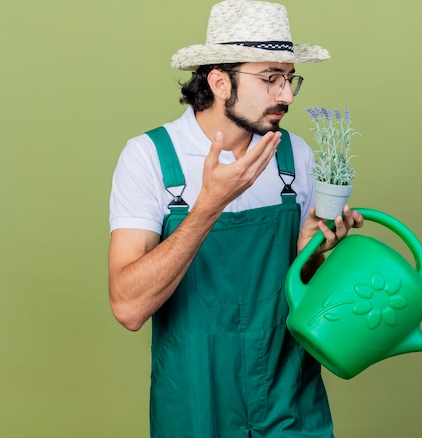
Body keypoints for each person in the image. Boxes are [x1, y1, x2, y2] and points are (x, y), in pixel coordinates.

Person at [108, 0, 364, 436]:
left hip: (289, 399)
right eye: (270, 79)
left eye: (289, 79)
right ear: (220, 81)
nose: (286, 95)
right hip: (195, 403)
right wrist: (207, 206)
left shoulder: (294, 157)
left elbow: (312, 301)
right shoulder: (150, 158)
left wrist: (313, 255)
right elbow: (129, 307)